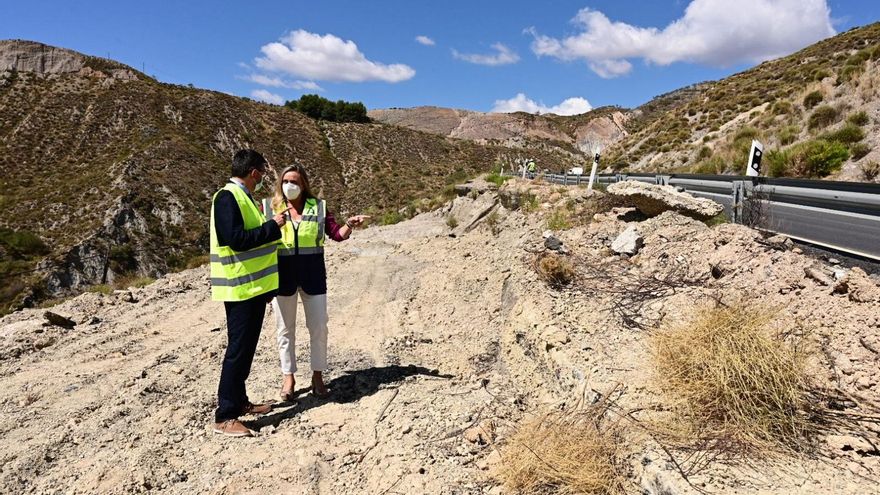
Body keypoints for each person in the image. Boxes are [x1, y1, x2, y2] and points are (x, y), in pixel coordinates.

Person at [270, 163, 369, 401]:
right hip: (282, 279)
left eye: (294, 181)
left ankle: (317, 376)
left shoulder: (319, 207)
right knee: (285, 330)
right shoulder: (270, 208)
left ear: (303, 184)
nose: (289, 185)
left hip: (313, 277)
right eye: (285, 181)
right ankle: (288, 377)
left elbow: (336, 234)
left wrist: (350, 225)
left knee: (318, 328)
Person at [209, 149, 286, 437]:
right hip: (239, 288)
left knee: (246, 350)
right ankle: (225, 415)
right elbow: (235, 240)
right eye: (262, 172)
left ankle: (240, 401)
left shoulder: (246, 198)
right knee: (238, 350)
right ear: (254, 172)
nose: (263, 178)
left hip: (253, 287)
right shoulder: (227, 197)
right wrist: (272, 227)